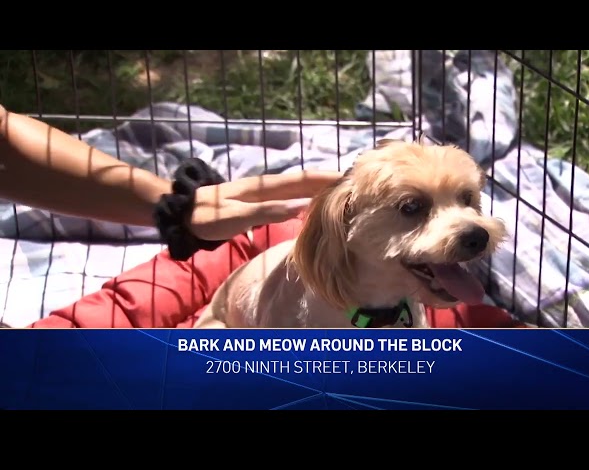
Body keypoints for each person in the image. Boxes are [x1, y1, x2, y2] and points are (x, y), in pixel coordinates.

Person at [0, 105, 526, 329]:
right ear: (342, 225)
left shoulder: (416, 307)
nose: (471, 228)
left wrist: (183, 207)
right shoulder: (299, 316)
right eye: (412, 209)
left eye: (466, 200)